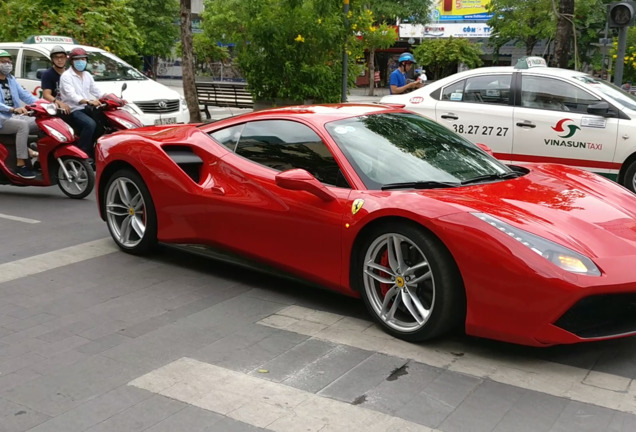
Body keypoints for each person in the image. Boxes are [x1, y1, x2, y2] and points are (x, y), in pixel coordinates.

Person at [59, 47, 105, 160]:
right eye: (77, 59)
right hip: (73, 109)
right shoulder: (66, 76)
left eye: (83, 59)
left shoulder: (87, 75)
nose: (81, 62)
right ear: (72, 62)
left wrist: (111, 98)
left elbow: (97, 91)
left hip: (87, 108)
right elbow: (72, 95)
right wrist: (89, 101)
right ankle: (81, 153)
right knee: (90, 124)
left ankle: (93, 150)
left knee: (103, 125)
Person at [0, 50, 39, 178]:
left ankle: (40, 158)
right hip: (2, 119)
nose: (7, 64)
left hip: (13, 117)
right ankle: (20, 164)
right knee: (22, 125)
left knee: (41, 122)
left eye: (9, 62)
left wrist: (43, 103)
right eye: (3, 62)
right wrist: (12, 109)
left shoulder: (11, 79)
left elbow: (25, 95)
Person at [40, 45, 71, 115]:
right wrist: (60, 103)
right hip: (55, 108)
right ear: (52, 59)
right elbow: (46, 95)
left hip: (72, 106)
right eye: (56, 57)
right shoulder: (47, 74)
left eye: (62, 57)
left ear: (66, 58)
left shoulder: (70, 73)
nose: (59, 60)